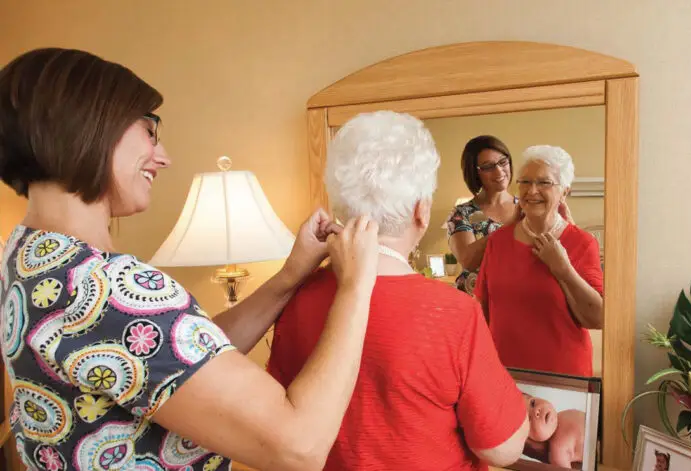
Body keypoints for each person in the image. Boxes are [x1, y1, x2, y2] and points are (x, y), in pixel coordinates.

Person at [0, 47, 380, 471]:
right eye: (149, 129)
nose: (163, 157)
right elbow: (300, 446)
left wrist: (288, 277)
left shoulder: (27, 253)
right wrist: (356, 285)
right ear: (89, 123)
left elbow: (183, 368)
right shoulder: (103, 289)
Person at [267, 111, 530, 470]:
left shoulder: (297, 298)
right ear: (422, 211)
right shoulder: (452, 313)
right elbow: (503, 448)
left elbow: (277, 423)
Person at [475, 145, 603, 377]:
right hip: (505, 371)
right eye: (525, 182)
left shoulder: (582, 243)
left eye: (544, 183)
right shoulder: (498, 242)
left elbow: (598, 318)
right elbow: (483, 307)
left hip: (562, 376)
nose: (532, 191)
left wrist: (563, 269)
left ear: (564, 192)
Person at [445, 136, 520, 295]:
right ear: (474, 172)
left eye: (502, 162)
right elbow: (468, 261)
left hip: (519, 300)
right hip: (476, 302)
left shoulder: (527, 207)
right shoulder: (461, 213)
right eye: (488, 167)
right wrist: (511, 225)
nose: (499, 171)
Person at [522, 393, 585, 469]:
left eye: (532, 403)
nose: (536, 411)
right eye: (529, 419)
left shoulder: (565, 414)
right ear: (530, 440)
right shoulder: (557, 454)